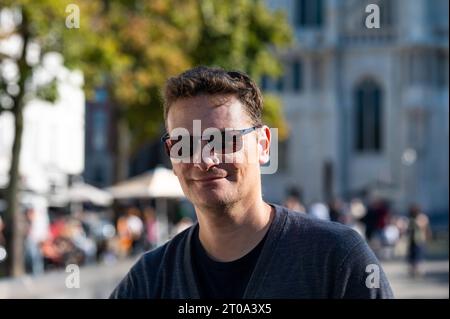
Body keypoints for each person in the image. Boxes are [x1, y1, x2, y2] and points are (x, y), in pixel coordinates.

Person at [110, 66, 393, 299]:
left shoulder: (336, 260)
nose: (204, 160)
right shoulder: (148, 281)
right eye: (183, 144)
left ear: (263, 145)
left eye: (224, 140)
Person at [407, 204, 431, 278]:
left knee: (419, 256)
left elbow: (423, 226)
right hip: (412, 240)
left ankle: (419, 271)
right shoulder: (411, 219)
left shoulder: (421, 217)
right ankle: (413, 270)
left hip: (419, 240)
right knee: (412, 256)